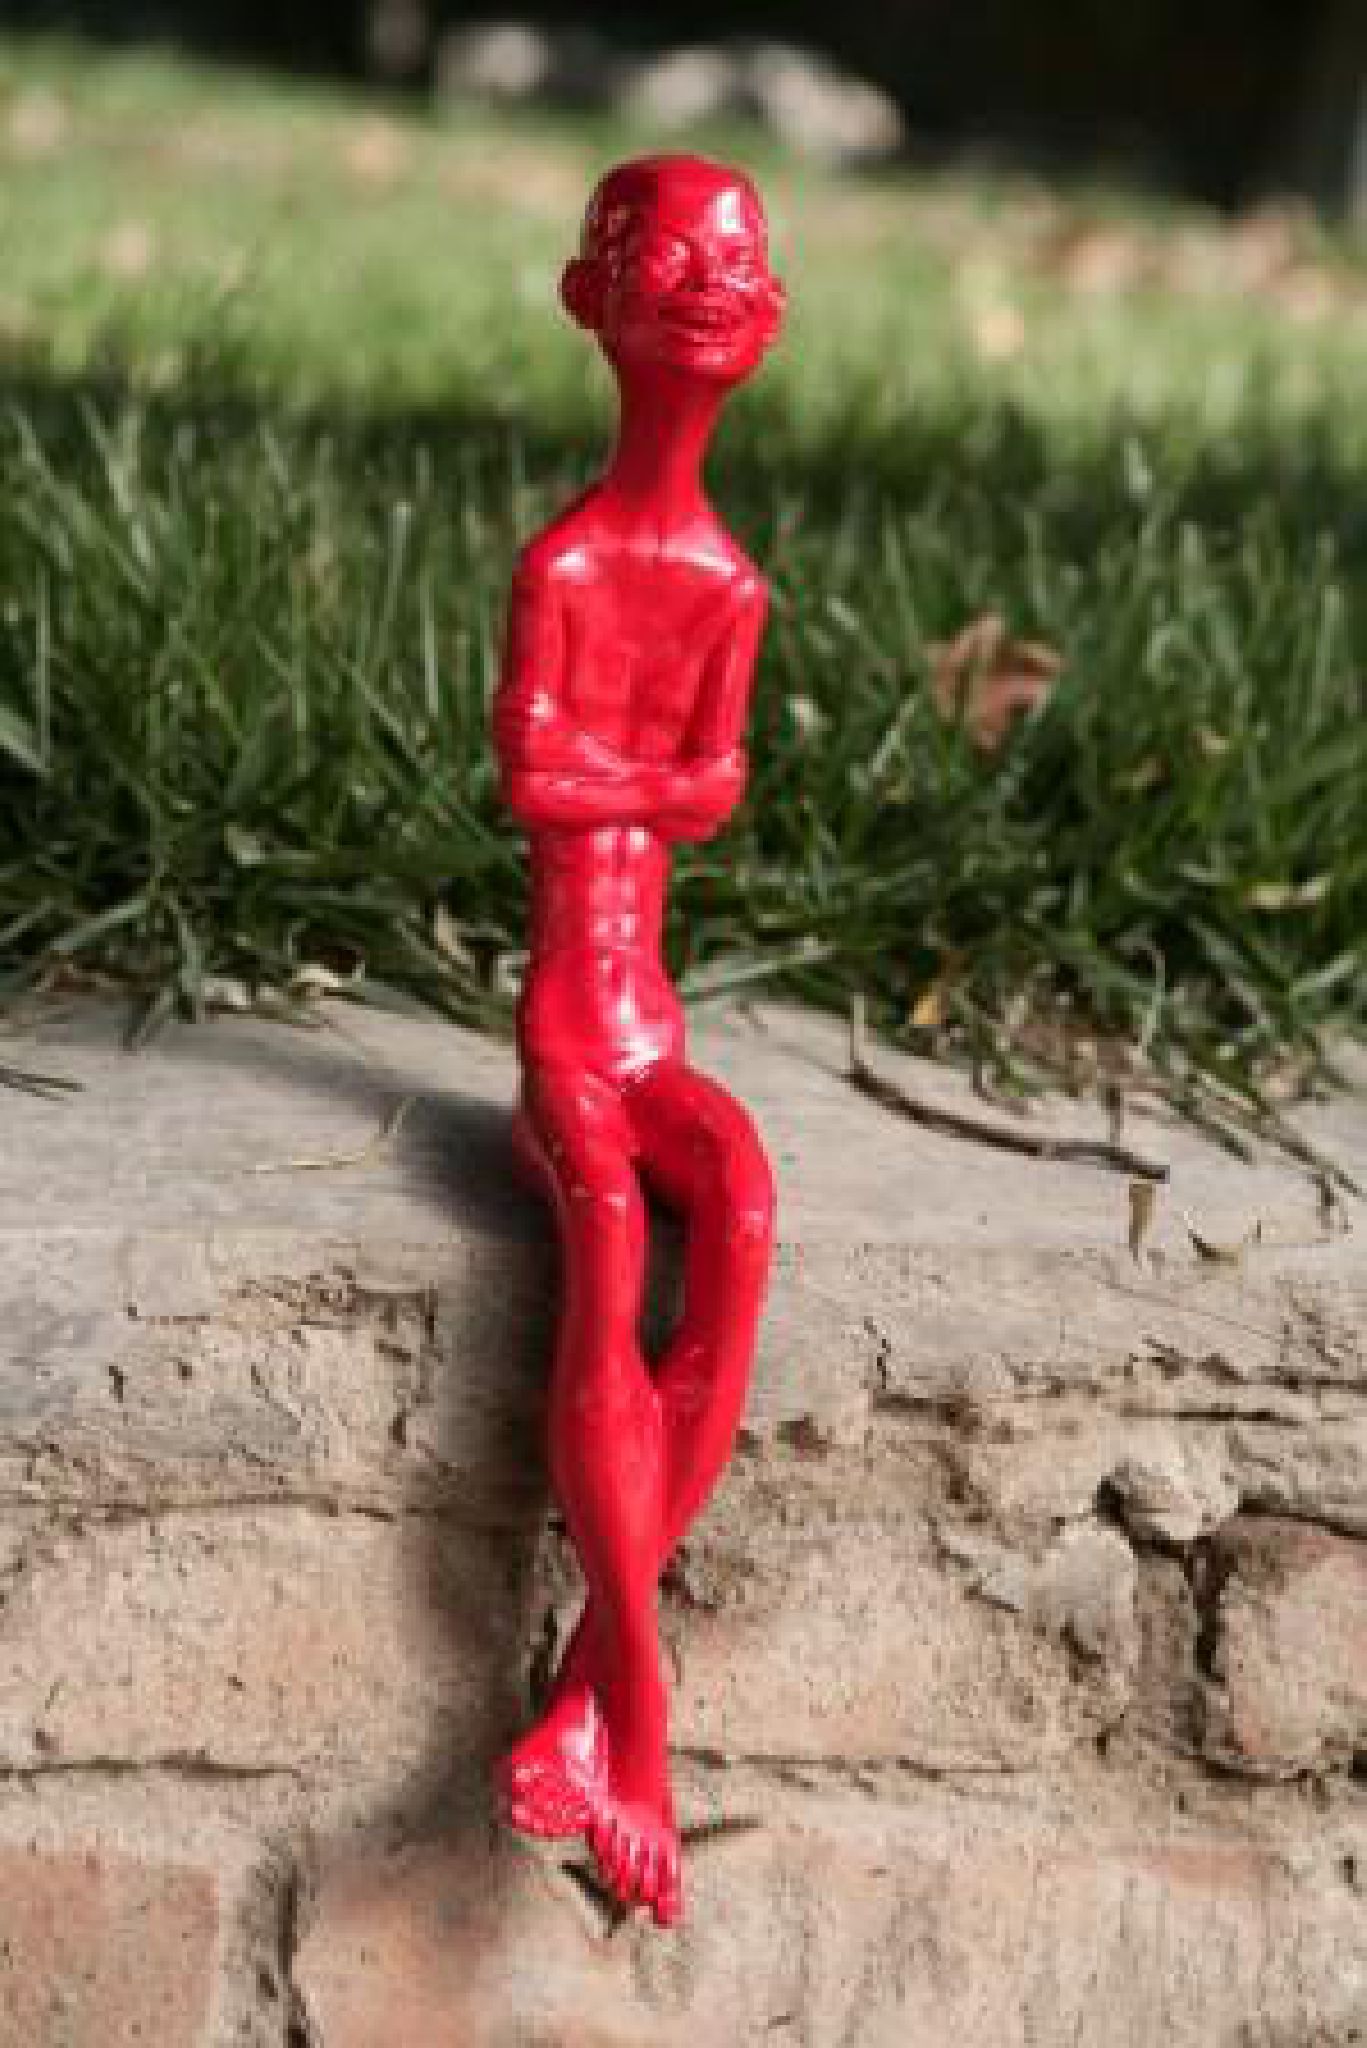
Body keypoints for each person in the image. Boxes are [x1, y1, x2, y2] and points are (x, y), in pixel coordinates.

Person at [490, 154, 785, 1926]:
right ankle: (644, 1726)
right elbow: (541, 780)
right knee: (609, 1231)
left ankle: (579, 1704)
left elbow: (712, 787)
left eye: (733, 262)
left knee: (738, 1201)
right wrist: (648, 779)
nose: (706, 285)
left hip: (650, 1025)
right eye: (668, 258)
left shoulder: (726, 587)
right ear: (591, 298)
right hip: (560, 1035)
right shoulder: (569, 562)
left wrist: (634, 779)